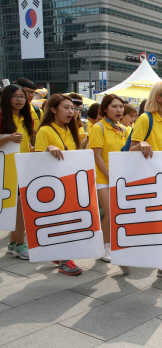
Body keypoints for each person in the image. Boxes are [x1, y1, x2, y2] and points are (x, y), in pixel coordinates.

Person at [129, 81, 162, 279]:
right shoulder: (145, 119)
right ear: (158, 98)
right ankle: (131, 255)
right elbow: (131, 149)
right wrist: (141, 143)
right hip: (145, 181)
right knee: (146, 222)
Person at [35, 94, 84, 276]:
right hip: (52, 186)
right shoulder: (45, 131)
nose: (71, 112)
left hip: (70, 182)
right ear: (53, 109)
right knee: (60, 222)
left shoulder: (73, 130)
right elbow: (36, 161)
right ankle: (65, 260)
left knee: (69, 220)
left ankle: (59, 254)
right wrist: (48, 149)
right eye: (66, 107)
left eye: (72, 108)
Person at [89, 94, 130, 271]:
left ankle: (112, 245)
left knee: (117, 214)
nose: (119, 110)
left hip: (121, 179)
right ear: (105, 109)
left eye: (121, 106)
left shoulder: (125, 129)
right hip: (103, 179)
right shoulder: (98, 128)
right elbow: (97, 157)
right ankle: (107, 246)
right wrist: (110, 175)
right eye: (114, 106)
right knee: (112, 212)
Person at [1, 84, 35, 260]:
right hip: (6, 169)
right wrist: (8, 137)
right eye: (16, 96)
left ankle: (14, 242)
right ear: (7, 98)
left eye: (22, 96)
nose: (20, 99)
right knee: (19, 207)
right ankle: (20, 244)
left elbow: (25, 142)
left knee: (20, 207)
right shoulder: (1, 117)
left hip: (24, 166)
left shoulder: (27, 118)